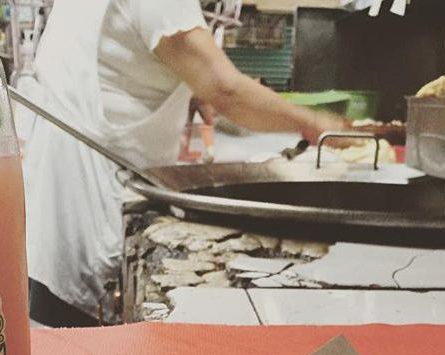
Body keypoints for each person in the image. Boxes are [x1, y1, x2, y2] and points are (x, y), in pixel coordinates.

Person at [22, 0, 347, 327]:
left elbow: (125, 52)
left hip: (64, 177)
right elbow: (226, 89)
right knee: (83, 338)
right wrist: (315, 123)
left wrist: (190, 87)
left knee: (62, 324)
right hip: (89, 187)